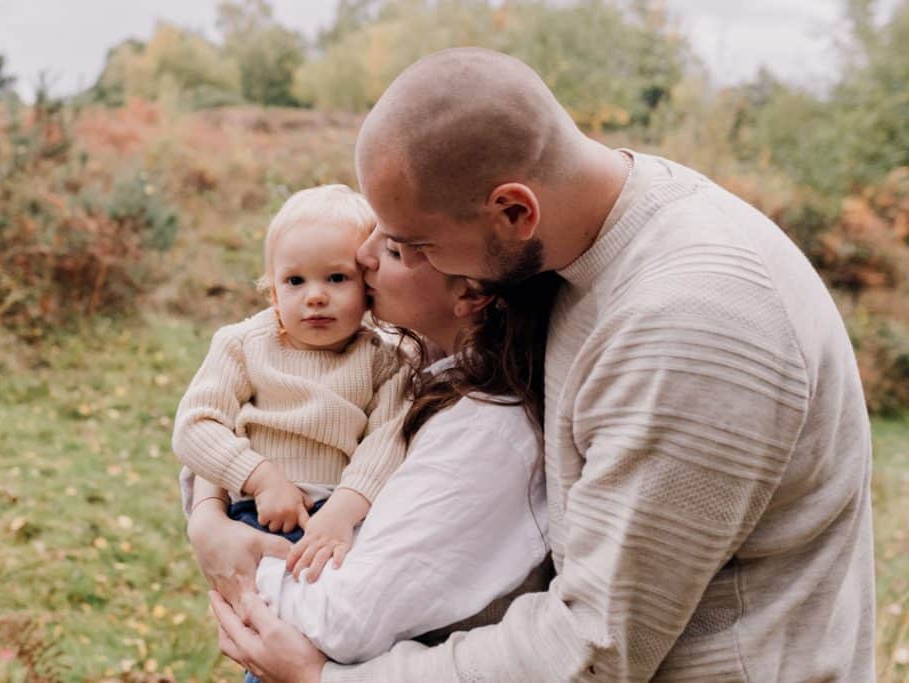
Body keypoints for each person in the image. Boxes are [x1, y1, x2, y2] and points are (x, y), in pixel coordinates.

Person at [208, 48, 876, 682]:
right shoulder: (577, 239)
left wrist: (323, 677)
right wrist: (213, 515)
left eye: (414, 245)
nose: (368, 259)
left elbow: (593, 648)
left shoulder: (691, 324)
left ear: (514, 211)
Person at [184, 216, 561, 672]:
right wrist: (210, 515)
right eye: (295, 281)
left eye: (395, 250)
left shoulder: (481, 429)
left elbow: (336, 619)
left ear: (469, 292)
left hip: (311, 586)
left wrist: (232, 556)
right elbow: (210, 427)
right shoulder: (421, 353)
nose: (364, 256)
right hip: (276, 519)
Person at [173, 184, 410, 587]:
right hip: (256, 512)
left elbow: (387, 440)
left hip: (345, 516)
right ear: (273, 291)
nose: (315, 296)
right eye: (295, 281)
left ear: (368, 289)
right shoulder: (244, 345)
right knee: (262, 613)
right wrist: (262, 478)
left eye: (337, 278)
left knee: (336, 620)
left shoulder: (384, 358)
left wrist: (342, 511)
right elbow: (196, 426)